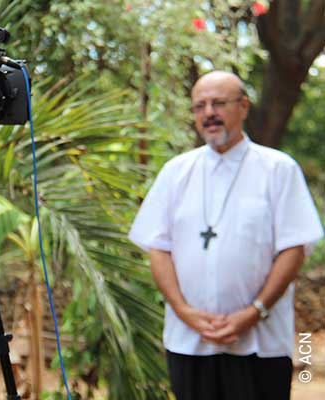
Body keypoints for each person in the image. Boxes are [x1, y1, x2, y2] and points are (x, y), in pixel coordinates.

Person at [129, 70, 324, 400]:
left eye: (219, 103)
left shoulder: (278, 169)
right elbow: (158, 247)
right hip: (189, 340)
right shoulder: (176, 172)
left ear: (244, 106)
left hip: (260, 342)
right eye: (199, 106)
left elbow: (295, 248)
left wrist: (253, 313)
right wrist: (183, 310)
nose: (209, 113)